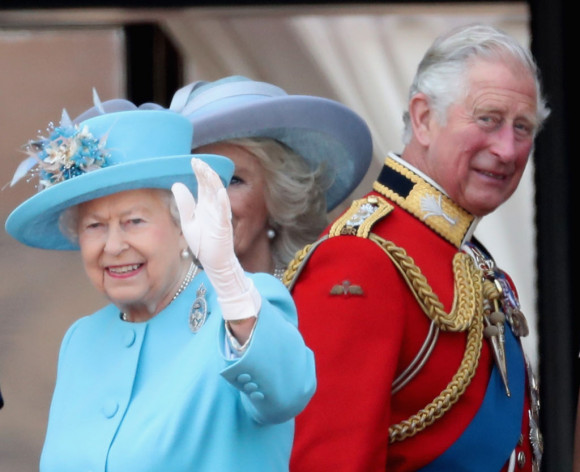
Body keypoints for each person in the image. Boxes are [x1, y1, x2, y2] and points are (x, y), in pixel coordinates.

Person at [287, 23, 549, 471]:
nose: (507, 149)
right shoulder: (359, 260)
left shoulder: (477, 265)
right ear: (424, 118)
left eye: (522, 127)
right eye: (488, 118)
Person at [5, 99, 316, 471]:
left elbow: (287, 392)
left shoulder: (242, 307)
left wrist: (228, 279)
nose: (114, 245)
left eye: (134, 221)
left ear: (185, 226)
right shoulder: (81, 339)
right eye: (95, 226)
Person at [169, 75, 373, 277]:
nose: (214, 199)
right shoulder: (164, 299)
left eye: (233, 180)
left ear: (279, 195)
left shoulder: (314, 294)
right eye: (198, 180)